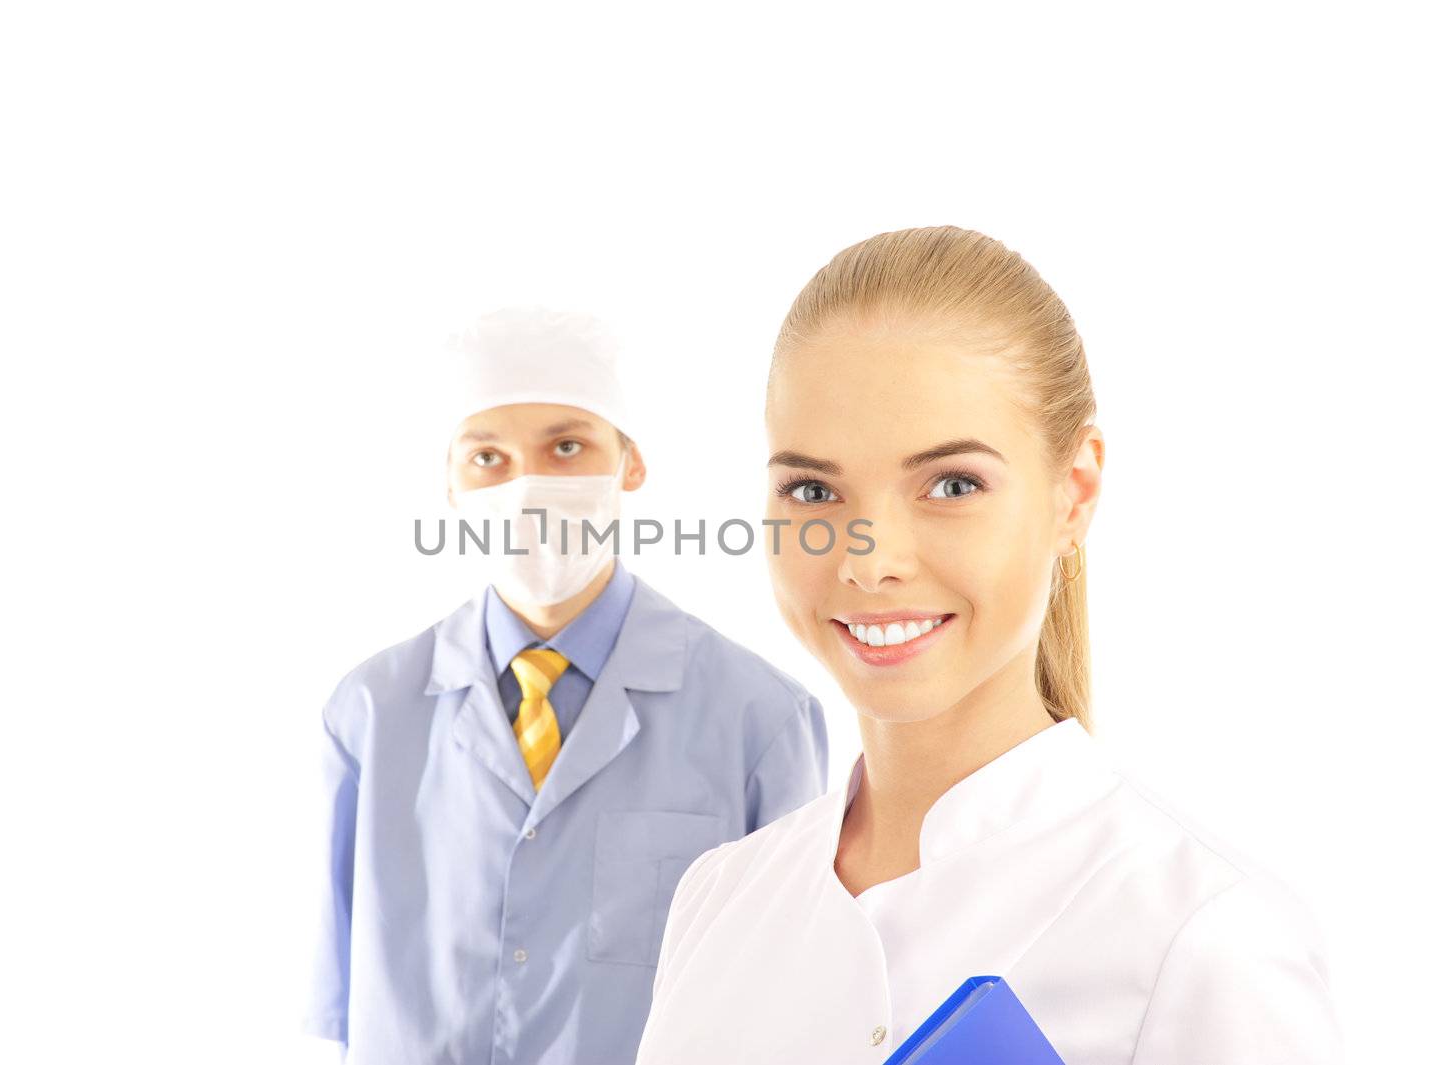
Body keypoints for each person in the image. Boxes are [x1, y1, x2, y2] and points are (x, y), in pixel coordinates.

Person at [635, 228, 1343, 1064]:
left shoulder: (1202, 940)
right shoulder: (718, 902)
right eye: (814, 489)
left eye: (952, 485)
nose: (870, 561)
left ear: (1073, 492)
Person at [301, 306, 829, 1065]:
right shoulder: (366, 716)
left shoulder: (762, 719)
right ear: (450, 483)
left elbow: (791, 1009)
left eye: (566, 446)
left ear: (631, 463)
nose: (528, 487)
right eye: (488, 457)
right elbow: (337, 1015)